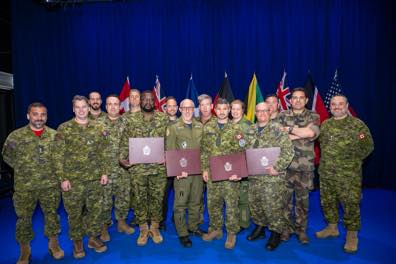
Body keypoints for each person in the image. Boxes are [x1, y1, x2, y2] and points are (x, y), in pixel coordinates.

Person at [2, 102, 64, 263]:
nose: (39, 118)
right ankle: (25, 249)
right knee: (23, 218)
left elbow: (60, 158)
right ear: (28, 116)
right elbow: (7, 156)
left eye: (43, 114)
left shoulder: (54, 135)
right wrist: (24, 169)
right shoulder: (16, 136)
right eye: (35, 114)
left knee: (51, 216)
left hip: (49, 185)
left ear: (46, 117)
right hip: (25, 187)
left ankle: (53, 244)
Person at [315, 95, 374, 253]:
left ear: (347, 105)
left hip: (348, 175)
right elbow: (322, 146)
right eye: (333, 104)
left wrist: (352, 161)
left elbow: (367, 146)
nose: (337, 107)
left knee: (350, 204)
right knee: (327, 201)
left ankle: (352, 235)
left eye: (340, 104)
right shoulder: (325, 125)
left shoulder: (357, 125)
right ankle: (332, 227)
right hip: (326, 173)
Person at [54, 95, 109, 258]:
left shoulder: (98, 127)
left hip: (94, 179)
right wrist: (62, 178)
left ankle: (93, 238)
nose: (81, 110)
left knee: (95, 211)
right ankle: (77, 242)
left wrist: (104, 172)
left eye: (84, 106)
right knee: (74, 213)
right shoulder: (64, 128)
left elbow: (103, 152)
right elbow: (58, 156)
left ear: (89, 107)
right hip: (73, 180)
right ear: (73, 109)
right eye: (77, 107)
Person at [119, 90, 168, 246]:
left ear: (154, 101)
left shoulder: (163, 118)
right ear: (140, 101)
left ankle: (154, 227)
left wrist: (168, 156)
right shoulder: (130, 119)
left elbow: (170, 140)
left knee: (157, 199)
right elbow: (124, 141)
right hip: (138, 168)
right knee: (139, 199)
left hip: (158, 168)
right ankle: (142, 229)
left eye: (150, 99)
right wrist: (122, 158)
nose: (148, 101)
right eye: (144, 99)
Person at [245, 102, 294, 250]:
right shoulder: (251, 130)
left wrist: (277, 167)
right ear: (255, 113)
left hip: (272, 177)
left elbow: (288, 151)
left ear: (270, 111)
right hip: (254, 177)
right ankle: (260, 227)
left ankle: (275, 233)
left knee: (273, 207)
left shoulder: (278, 129)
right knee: (256, 204)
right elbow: (244, 152)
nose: (262, 114)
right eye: (258, 111)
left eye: (265, 111)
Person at [200, 98, 245, 249]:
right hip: (213, 173)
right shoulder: (208, 127)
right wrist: (205, 169)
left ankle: (231, 233)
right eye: (219, 109)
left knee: (231, 204)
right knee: (213, 203)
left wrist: (238, 172)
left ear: (229, 110)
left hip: (230, 175)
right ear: (215, 110)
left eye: (225, 109)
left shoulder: (236, 129)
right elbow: (204, 151)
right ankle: (216, 229)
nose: (221, 112)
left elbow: (242, 152)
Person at [278, 87, 320, 244]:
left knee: (303, 202)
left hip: (304, 168)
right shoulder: (282, 115)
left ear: (306, 100)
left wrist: (289, 131)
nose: (297, 100)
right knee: (285, 202)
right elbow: (277, 136)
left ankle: (301, 231)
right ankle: (286, 229)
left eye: (301, 98)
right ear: (290, 100)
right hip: (285, 166)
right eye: (294, 98)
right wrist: (300, 132)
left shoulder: (313, 116)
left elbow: (311, 134)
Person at [166, 99, 205, 247]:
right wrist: (175, 171)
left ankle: (193, 227)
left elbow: (205, 150)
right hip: (182, 173)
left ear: (194, 109)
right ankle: (182, 233)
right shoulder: (174, 128)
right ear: (180, 109)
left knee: (196, 201)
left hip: (198, 172)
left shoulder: (200, 126)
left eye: (190, 108)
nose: (188, 110)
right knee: (180, 204)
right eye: (185, 108)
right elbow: (170, 151)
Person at [99, 94, 134, 242]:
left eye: (115, 104)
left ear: (119, 106)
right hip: (105, 170)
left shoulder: (126, 122)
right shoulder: (97, 124)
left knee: (123, 197)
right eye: (110, 104)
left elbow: (132, 142)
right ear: (106, 107)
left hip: (123, 169)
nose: (113, 107)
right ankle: (104, 227)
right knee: (105, 200)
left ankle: (121, 222)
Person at [230, 99, 252, 230]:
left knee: (243, 198)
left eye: (238, 109)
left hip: (243, 165)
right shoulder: (227, 124)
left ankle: (243, 223)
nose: (235, 111)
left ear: (243, 110)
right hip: (228, 166)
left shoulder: (249, 126)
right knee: (232, 196)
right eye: (233, 109)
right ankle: (233, 220)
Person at [160, 96, 179, 230]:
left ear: (177, 108)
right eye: (169, 106)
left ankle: (177, 218)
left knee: (179, 194)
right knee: (163, 195)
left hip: (179, 165)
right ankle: (161, 221)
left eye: (174, 106)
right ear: (165, 108)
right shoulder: (160, 123)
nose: (171, 108)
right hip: (164, 166)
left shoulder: (183, 122)